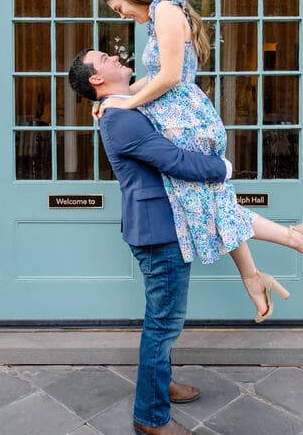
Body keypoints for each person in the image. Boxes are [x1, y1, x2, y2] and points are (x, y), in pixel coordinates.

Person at [77, 0, 303, 324]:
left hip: (187, 119)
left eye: (121, 8)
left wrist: (126, 102)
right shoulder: (161, 14)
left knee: (206, 203)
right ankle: (261, 271)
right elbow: (159, 73)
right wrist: (117, 96)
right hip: (184, 115)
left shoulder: (164, 10)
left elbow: (169, 77)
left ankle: (292, 245)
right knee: (212, 203)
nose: (125, 17)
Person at [68, 48, 227, 435]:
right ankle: (150, 417)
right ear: (95, 79)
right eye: (103, 58)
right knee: (163, 324)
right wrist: (221, 167)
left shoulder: (120, 106)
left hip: (159, 225)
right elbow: (173, 159)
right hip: (158, 232)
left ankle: (162, 384)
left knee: (164, 319)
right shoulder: (120, 120)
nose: (113, 55)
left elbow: (160, 81)